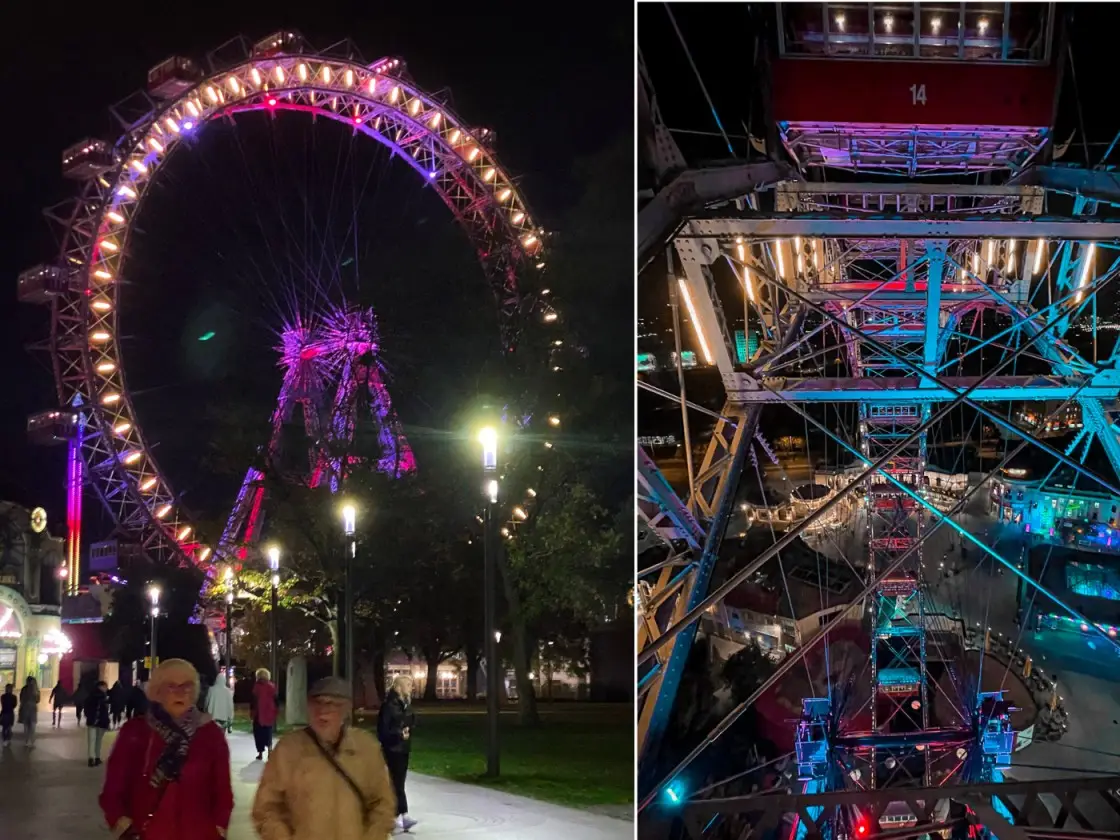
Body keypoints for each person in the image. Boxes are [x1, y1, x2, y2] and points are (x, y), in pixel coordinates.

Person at [99, 658, 234, 840]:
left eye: (186, 686)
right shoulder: (136, 732)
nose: (180, 692)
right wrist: (124, 826)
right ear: (157, 691)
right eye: (171, 686)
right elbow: (113, 789)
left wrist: (218, 827)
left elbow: (223, 791)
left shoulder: (210, 734)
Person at [252, 677, 396, 840]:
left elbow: (382, 805)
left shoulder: (366, 748)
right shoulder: (288, 750)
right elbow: (266, 808)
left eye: (333, 704)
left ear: (346, 709)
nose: (323, 711)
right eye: (317, 703)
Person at [378, 675, 418, 833]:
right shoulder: (389, 706)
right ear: (398, 687)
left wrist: (408, 728)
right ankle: (397, 817)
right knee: (396, 784)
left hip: (403, 749)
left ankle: (400, 816)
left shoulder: (405, 704)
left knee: (398, 783)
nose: (411, 687)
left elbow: (410, 720)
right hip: (392, 749)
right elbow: (383, 731)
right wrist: (399, 734)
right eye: (408, 684)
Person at [250, 668, 279, 760]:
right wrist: (275, 711)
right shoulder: (272, 686)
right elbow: (276, 700)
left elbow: (253, 701)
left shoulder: (256, 687)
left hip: (259, 714)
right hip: (269, 713)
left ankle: (260, 753)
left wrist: (252, 712)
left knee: (258, 733)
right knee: (268, 732)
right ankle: (270, 750)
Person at [84, 680, 112, 767]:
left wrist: (89, 717)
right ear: (101, 687)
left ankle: (91, 758)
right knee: (98, 740)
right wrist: (107, 722)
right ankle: (97, 758)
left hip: (91, 721)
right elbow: (104, 712)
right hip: (101, 722)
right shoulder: (103, 697)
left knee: (91, 740)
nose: (106, 688)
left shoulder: (90, 696)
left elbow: (86, 709)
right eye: (105, 687)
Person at [18, 676, 40, 747]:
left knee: (27, 726)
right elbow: (37, 700)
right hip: (30, 709)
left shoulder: (25, 689)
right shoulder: (35, 690)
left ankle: (28, 741)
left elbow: (21, 699)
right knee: (31, 726)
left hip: (27, 709)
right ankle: (30, 741)